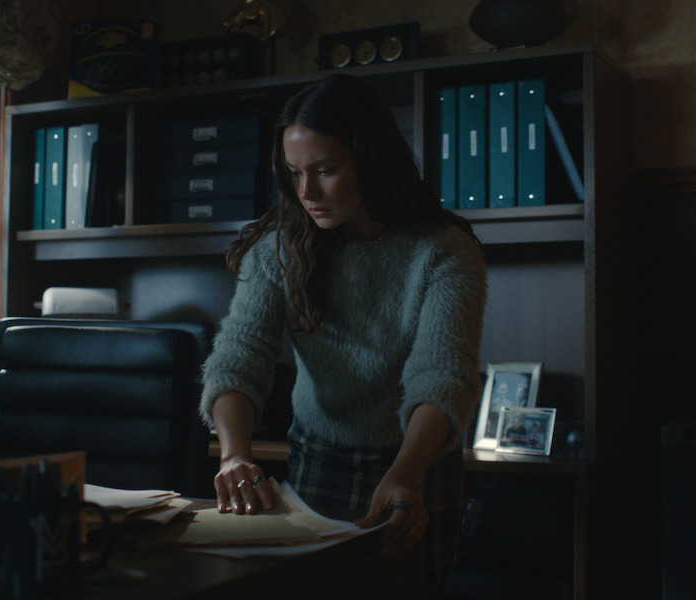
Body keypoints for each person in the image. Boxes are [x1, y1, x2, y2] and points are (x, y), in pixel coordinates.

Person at [198, 72, 487, 585]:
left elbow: (442, 374)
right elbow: (239, 356)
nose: (305, 191)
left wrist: (403, 475)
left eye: (325, 170)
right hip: (318, 458)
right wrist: (235, 454)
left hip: (413, 464)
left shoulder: (443, 249)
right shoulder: (279, 249)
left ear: (370, 162)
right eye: (293, 172)